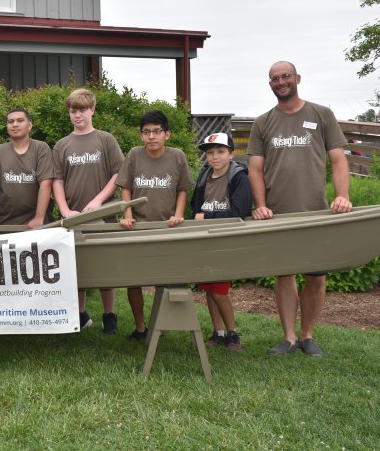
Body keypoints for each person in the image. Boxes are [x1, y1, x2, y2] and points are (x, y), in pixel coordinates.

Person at [247, 60, 352, 357]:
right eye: (274, 79)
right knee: (285, 274)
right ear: (270, 85)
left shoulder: (321, 114)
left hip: (316, 212)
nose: (280, 82)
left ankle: (308, 335)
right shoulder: (263, 122)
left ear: (297, 78)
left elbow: (338, 159)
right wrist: (261, 205)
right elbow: (255, 169)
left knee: (317, 276)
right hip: (279, 213)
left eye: (285, 76)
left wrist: (342, 195)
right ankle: (289, 338)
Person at [115, 110, 193, 341]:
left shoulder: (177, 156)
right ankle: (141, 328)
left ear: (166, 134)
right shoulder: (134, 155)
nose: (151, 136)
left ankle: (163, 325)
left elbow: (182, 189)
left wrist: (178, 215)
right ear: (141, 136)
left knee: (167, 278)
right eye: (146, 132)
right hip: (138, 228)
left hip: (166, 227)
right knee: (133, 280)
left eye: (157, 131)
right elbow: (126, 187)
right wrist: (127, 214)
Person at [52, 88, 125, 334]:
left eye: (82, 110)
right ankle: (80, 314)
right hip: (73, 217)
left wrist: (99, 200)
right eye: (73, 111)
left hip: (103, 216)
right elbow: (57, 180)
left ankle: (109, 314)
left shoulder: (106, 139)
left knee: (104, 267)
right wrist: (64, 209)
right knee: (77, 267)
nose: (78, 115)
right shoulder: (62, 145)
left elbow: (118, 174)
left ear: (92, 110)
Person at [190, 132, 253, 351]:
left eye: (220, 151)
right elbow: (195, 208)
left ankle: (233, 334)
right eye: (210, 153)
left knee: (219, 290)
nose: (215, 157)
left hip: (226, 240)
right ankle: (218, 333)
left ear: (231, 153)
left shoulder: (239, 177)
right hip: (206, 239)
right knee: (209, 289)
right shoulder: (204, 176)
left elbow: (239, 212)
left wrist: (207, 217)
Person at [0, 108, 54, 236]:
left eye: (20, 120)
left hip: (35, 224)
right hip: (6, 223)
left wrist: (39, 218)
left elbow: (46, 184)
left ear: (29, 125)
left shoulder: (41, 148)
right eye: (10, 121)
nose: (15, 124)